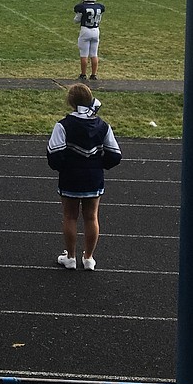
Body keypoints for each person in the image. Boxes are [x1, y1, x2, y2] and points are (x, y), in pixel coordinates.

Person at [47, 82, 122, 270]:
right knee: (91, 217)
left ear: (70, 102)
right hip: (93, 177)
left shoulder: (63, 125)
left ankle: (70, 257)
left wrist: (63, 167)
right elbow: (115, 155)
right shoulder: (103, 126)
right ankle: (88, 258)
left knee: (70, 216)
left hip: (70, 176)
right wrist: (98, 165)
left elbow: (54, 155)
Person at [74, 0, 106, 80]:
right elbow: (99, 19)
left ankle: (83, 74)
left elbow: (76, 20)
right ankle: (94, 74)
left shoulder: (82, 7)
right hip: (96, 30)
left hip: (85, 30)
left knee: (84, 54)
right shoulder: (99, 7)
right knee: (94, 54)